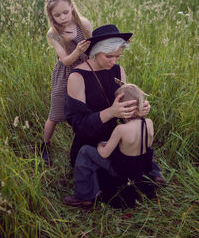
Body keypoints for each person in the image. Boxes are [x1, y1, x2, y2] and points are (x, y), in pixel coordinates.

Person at [65, 24, 164, 208]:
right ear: (95, 52)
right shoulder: (77, 77)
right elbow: (79, 126)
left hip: (118, 136)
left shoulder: (118, 71)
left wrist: (139, 109)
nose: (114, 61)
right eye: (108, 56)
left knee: (136, 137)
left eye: (118, 56)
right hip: (91, 139)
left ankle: (147, 173)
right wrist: (111, 112)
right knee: (101, 167)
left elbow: (127, 104)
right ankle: (88, 194)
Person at [64, 81, 154, 208]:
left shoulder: (121, 129)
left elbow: (104, 153)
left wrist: (100, 144)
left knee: (85, 151)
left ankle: (84, 196)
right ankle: (155, 175)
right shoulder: (148, 123)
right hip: (140, 168)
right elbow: (147, 144)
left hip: (121, 171)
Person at [41, 0, 92, 166]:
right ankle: (44, 145)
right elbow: (65, 61)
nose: (63, 17)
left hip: (85, 72)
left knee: (82, 110)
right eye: (57, 15)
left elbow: (94, 48)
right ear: (51, 15)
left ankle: (81, 145)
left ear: (71, 6)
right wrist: (77, 50)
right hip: (65, 75)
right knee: (55, 114)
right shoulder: (54, 33)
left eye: (65, 12)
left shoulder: (83, 24)